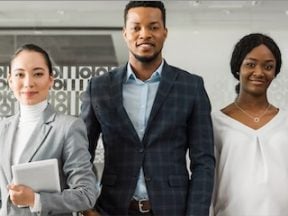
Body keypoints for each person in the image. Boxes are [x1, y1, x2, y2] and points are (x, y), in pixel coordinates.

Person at [81, 1, 215, 216]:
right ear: (125, 33)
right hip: (112, 209)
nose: (145, 34)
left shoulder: (191, 87)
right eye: (136, 27)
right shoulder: (99, 87)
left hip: (173, 210)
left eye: (153, 27)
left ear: (164, 32)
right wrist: (86, 208)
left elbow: (204, 162)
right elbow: (80, 155)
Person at [0, 44, 97, 215]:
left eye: (38, 74)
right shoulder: (2, 128)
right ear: (10, 81)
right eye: (20, 74)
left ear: (50, 80)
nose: (29, 83)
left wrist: (36, 200)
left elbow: (86, 194)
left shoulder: (67, 127)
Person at [210, 33, 288, 216]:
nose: (259, 72)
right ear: (238, 67)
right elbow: (207, 183)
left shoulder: (285, 121)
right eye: (251, 64)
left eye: (268, 66)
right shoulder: (215, 122)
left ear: (275, 72)